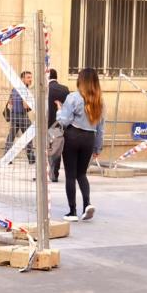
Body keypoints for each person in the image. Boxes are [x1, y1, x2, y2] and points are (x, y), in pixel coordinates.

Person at [55, 67, 105, 222]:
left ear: (80, 81)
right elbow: (100, 128)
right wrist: (97, 147)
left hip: (73, 136)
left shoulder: (73, 97)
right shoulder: (99, 101)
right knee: (82, 174)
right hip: (89, 138)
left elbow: (64, 120)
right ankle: (87, 204)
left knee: (70, 175)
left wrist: (59, 110)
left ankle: (72, 212)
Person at [5, 70, 35, 164]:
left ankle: (7, 157)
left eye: (31, 77)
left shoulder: (14, 88)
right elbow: (26, 106)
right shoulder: (25, 90)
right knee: (29, 135)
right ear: (22, 79)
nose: (30, 79)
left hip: (14, 115)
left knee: (11, 137)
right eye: (28, 77)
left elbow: (10, 102)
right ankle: (31, 158)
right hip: (22, 115)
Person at [47, 68, 70, 182]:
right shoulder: (64, 89)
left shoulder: (44, 89)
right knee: (57, 149)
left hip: (44, 125)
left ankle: (45, 172)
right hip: (57, 125)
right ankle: (54, 173)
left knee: (45, 149)